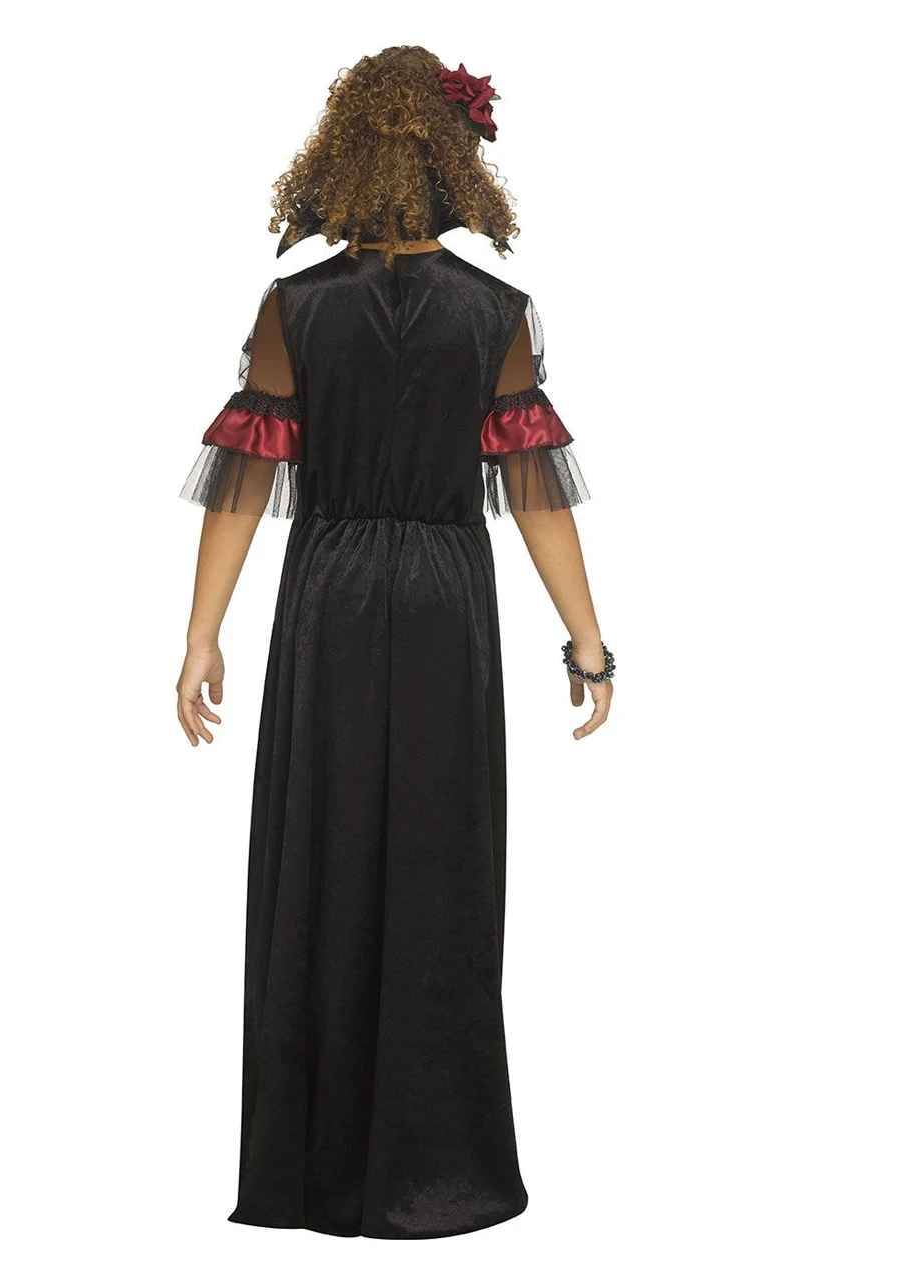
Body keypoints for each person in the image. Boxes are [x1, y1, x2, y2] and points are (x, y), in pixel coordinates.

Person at [176, 45, 614, 1240]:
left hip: (325, 596)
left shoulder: (294, 307)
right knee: (442, 861)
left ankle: (312, 1168)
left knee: (317, 855)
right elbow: (534, 491)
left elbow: (242, 481)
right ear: (457, 161)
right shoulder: (495, 314)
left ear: (341, 154)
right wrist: (587, 640)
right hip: (442, 604)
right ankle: (437, 1165)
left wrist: (202, 634)